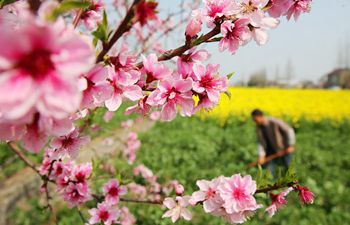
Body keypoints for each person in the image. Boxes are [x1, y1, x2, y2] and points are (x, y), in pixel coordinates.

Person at [251, 109, 295, 176]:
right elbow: (261, 142)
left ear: (261, 116)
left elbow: (289, 130)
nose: (255, 122)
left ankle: (293, 183)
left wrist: (290, 145)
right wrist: (261, 155)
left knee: (289, 167)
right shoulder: (258, 128)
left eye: (256, 120)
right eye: (254, 120)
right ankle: (271, 183)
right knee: (269, 170)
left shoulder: (274, 121)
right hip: (271, 150)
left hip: (284, 148)